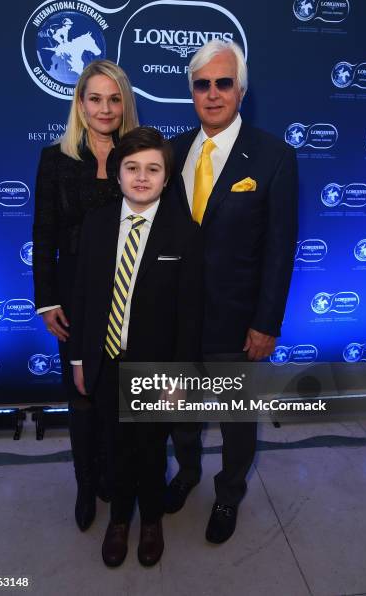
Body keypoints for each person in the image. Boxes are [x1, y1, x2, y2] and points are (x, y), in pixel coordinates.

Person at [167, 40, 299, 544]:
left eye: (224, 83)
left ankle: (228, 493)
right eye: (203, 85)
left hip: (237, 320)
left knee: (235, 421)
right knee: (177, 409)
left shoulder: (274, 156)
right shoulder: (172, 150)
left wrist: (266, 323)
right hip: (176, 318)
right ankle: (186, 473)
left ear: (240, 90)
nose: (213, 93)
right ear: (192, 93)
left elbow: (280, 249)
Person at [70, 127, 203, 567]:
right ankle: (119, 520)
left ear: (167, 178)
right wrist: (78, 358)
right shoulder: (97, 224)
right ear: (118, 174)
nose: (141, 178)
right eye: (132, 168)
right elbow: (83, 298)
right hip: (106, 361)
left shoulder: (183, 234)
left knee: (149, 451)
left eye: (153, 169)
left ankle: (150, 521)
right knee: (114, 447)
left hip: (156, 368)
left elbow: (189, 314)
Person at [32, 59, 139, 533]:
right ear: (80, 103)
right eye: (95, 98)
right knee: (81, 394)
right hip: (73, 294)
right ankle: (84, 481)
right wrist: (46, 300)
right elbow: (43, 233)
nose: (105, 108)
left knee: (116, 390)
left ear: (124, 103)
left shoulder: (138, 155)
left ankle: (113, 476)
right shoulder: (55, 158)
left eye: (114, 98)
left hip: (126, 290)